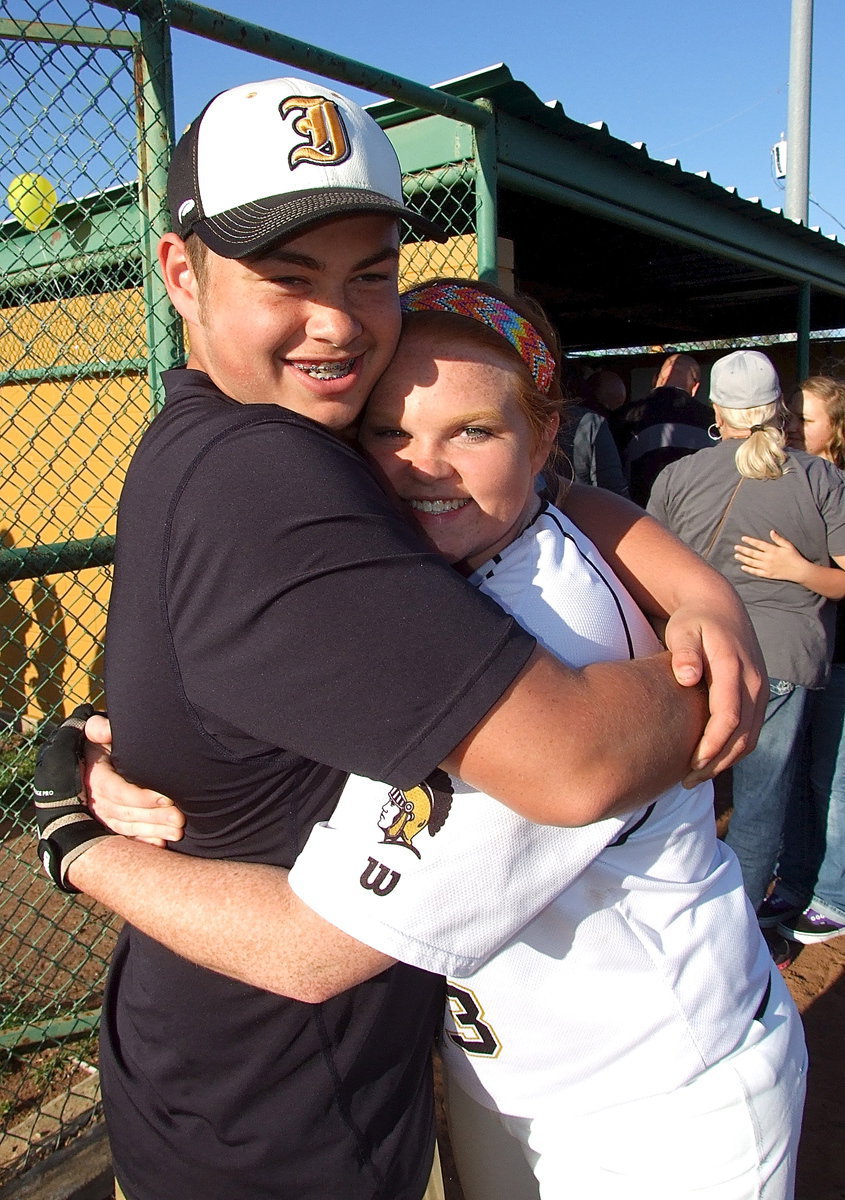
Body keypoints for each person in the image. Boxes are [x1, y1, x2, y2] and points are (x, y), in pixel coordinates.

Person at [33, 75, 766, 1200]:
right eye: (286, 276)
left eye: (367, 274)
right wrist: (708, 684)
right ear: (180, 273)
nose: (334, 322)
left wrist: (702, 593)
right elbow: (568, 762)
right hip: (280, 1122)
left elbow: (533, 492)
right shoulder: (277, 473)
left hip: (554, 1086)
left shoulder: (195, 427)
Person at [648, 352, 845, 927]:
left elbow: (646, 571)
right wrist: (803, 573)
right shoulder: (819, 477)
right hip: (782, 656)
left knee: (684, 791)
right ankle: (742, 925)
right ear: (777, 408)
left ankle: (681, 907)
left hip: (695, 654)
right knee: (761, 800)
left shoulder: (679, 475)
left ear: (715, 408)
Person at [735, 377, 845, 946]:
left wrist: (799, 571)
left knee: (833, 779)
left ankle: (831, 896)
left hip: (837, 653)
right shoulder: (792, 479)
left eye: (808, 418)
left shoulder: (832, 483)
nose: (795, 426)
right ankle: (797, 884)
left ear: (837, 427)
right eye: (791, 416)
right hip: (810, 653)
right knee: (797, 778)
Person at [616, 351, 710, 505]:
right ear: (695, 387)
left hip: (637, 514)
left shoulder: (624, 416)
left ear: (655, 380)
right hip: (692, 512)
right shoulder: (711, 421)